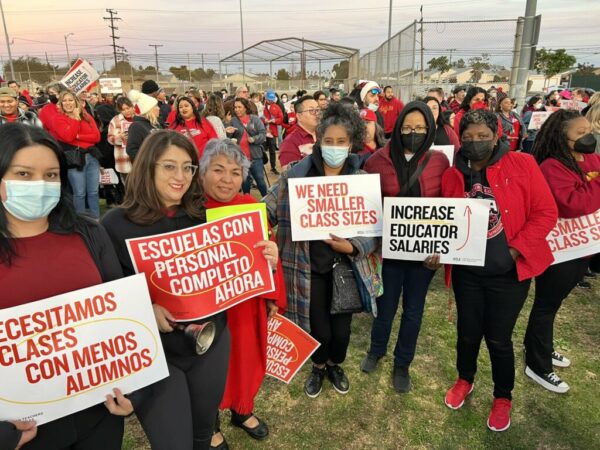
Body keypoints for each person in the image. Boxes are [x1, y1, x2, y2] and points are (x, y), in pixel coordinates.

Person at [0, 123, 131, 450]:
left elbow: (121, 311)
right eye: (24, 175)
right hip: (22, 428)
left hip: (98, 410)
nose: (40, 185)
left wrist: (134, 388)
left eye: (51, 175)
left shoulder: (89, 233)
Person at [101, 130, 230, 450]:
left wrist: (261, 256)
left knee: (203, 435)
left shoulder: (204, 215)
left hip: (209, 343)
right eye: (170, 166)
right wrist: (148, 310)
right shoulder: (115, 224)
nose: (181, 176)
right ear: (148, 167)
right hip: (155, 356)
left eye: (188, 167)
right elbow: (109, 299)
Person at [441, 109, 557, 432]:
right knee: (467, 332)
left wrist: (515, 249)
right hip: (467, 274)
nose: (475, 142)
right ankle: (465, 378)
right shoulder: (453, 174)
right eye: (467, 137)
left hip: (508, 275)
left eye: (482, 136)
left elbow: (546, 212)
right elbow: (445, 222)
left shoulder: (522, 165)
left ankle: (502, 396)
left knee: (498, 338)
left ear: (496, 136)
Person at [263, 102, 380, 399]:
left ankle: (334, 364)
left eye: (342, 142)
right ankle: (318, 366)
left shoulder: (360, 179)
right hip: (307, 269)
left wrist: (353, 246)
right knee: (319, 330)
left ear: (351, 143)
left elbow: (374, 230)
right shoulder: (295, 176)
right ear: (318, 139)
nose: (335, 147)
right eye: (329, 141)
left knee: (341, 333)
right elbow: (266, 212)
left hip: (345, 270)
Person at [197, 139, 285, 450]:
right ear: (203, 172)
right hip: (206, 311)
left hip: (246, 305)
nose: (227, 179)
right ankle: (209, 424)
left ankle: (242, 409)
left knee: (245, 359)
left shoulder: (251, 207)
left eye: (235, 172)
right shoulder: (191, 211)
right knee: (208, 368)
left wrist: (273, 293)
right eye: (218, 170)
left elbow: (268, 257)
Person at [360, 101, 449, 392]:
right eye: (408, 127)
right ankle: (376, 350)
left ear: (430, 129)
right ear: (398, 128)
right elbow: (367, 205)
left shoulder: (439, 161)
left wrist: (442, 250)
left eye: (420, 128)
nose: (414, 133)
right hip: (388, 252)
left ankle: (403, 363)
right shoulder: (376, 160)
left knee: (413, 310)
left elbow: (447, 208)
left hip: (424, 255)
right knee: (385, 307)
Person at [524, 110, 600, 393]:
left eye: (588, 129)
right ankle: (538, 364)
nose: (587, 136)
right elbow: (574, 203)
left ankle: (540, 345)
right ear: (562, 136)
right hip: (560, 250)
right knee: (545, 305)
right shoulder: (552, 167)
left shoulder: (589, 159)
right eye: (579, 133)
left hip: (584, 247)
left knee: (553, 306)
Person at [52, 90, 101, 218]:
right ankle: (80, 221)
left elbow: (96, 137)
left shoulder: (86, 116)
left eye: (70, 100)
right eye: (65, 101)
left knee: (94, 191)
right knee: (79, 193)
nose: (68, 103)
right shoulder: (58, 118)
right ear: (61, 104)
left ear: (76, 101)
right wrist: (74, 119)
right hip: (75, 159)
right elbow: (68, 137)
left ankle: (96, 219)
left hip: (92, 157)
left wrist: (78, 136)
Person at [225, 97, 268, 196]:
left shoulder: (255, 119)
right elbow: (227, 139)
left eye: (239, 107)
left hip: (256, 157)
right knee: (245, 182)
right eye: (235, 107)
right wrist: (228, 132)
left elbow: (263, 133)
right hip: (240, 158)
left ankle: (266, 200)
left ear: (245, 108)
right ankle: (247, 202)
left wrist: (254, 139)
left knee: (260, 180)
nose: (237, 109)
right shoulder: (233, 120)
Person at [279, 95, 319, 168]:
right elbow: (290, 174)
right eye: (311, 110)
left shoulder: (325, 135)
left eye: (318, 110)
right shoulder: (290, 142)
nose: (317, 114)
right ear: (299, 116)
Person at [126, 89, 161, 161]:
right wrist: (148, 161)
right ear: (149, 110)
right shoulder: (136, 126)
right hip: (148, 167)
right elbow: (132, 150)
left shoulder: (156, 124)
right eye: (156, 106)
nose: (159, 108)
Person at [107, 96, 135, 184]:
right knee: (128, 188)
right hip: (124, 160)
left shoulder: (139, 118)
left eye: (128, 108)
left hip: (139, 158)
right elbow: (110, 139)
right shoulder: (115, 121)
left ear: (132, 106)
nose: (127, 111)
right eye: (123, 109)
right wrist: (120, 138)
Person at [263, 90, 283, 174]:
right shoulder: (261, 107)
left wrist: (273, 120)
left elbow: (281, 118)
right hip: (262, 131)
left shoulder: (276, 107)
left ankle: (273, 167)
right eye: (268, 99)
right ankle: (260, 167)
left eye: (272, 99)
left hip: (272, 132)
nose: (270, 101)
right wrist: (263, 120)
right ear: (265, 98)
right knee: (261, 150)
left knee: (272, 150)